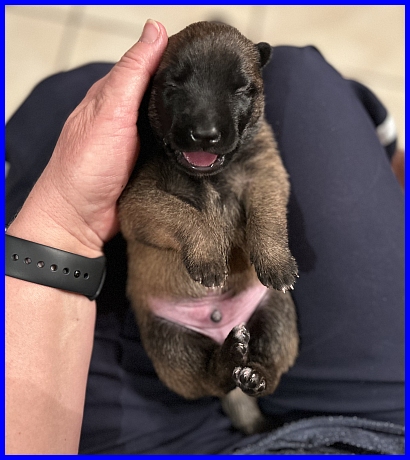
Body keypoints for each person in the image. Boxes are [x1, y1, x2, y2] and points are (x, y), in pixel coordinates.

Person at [6, 20, 404, 454]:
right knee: (303, 70)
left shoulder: (254, 142)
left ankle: (255, 375)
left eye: (238, 91)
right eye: (174, 89)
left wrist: (269, 243)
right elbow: (139, 210)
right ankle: (224, 376)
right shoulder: (151, 150)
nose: (207, 126)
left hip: (248, 309)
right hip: (362, 430)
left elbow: (265, 179)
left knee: (59, 96)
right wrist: (194, 234)